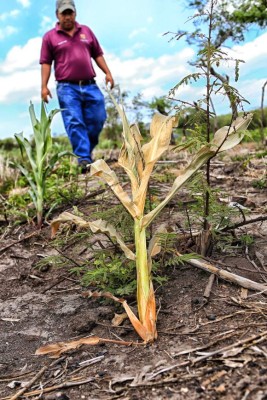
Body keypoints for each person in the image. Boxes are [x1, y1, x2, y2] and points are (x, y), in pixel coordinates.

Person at [40, 0, 114, 173]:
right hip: (67, 88)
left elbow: (98, 54)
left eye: (70, 13)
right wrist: (43, 86)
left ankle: (85, 151)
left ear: (75, 13)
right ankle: (84, 160)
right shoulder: (50, 37)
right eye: (63, 13)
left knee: (98, 118)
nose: (67, 17)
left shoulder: (86, 31)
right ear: (57, 15)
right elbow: (45, 63)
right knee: (74, 121)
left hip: (90, 85)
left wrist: (108, 73)